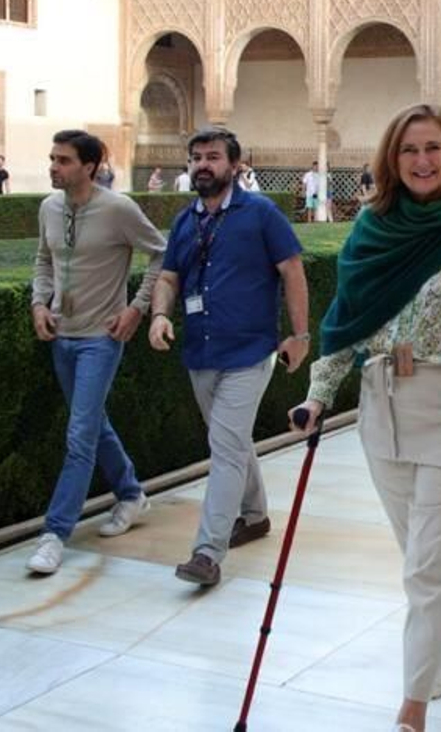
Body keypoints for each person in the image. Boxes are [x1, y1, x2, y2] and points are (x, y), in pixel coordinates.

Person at [289, 105, 441, 732]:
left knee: (429, 566)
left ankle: (412, 710)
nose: (423, 162)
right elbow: (346, 319)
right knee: (423, 557)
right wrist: (319, 395)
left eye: (434, 148)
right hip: (382, 411)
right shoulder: (374, 227)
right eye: (409, 151)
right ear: (391, 160)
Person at [149, 127, 310, 587]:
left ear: (234, 165)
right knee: (232, 442)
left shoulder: (260, 214)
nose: (203, 164)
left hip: (249, 351)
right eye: (196, 157)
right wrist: (160, 315)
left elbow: (292, 271)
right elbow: (168, 278)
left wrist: (299, 335)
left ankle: (207, 552)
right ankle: (255, 516)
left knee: (223, 447)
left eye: (213, 157)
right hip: (200, 351)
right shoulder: (185, 222)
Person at [26, 130, 167, 575]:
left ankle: (55, 533)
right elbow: (43, 260)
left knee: (80, 433)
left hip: (101, 339)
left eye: (63, 160)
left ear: (89, 166)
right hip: (61, 336)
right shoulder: (49, 207)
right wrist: (38, 303)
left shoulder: (118, 209)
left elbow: (162, 256)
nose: (54, 167)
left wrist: (136, 309)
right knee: (92, 423)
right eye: (52, 158)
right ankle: (130, 493)